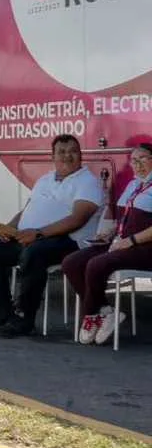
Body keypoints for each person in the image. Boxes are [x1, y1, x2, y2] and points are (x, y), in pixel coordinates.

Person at [0, 134, 103, 338]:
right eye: (61, 152)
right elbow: (27, 210)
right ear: (52, 156)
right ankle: (2, 312)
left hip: (69, 241)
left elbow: (78, 219)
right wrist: (9, 228)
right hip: (31, 237)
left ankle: (24, 318)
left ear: (80, 155)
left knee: (34, 253)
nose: (67, 156)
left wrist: (38, 233)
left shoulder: (87, 182)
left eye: (73, 151)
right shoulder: (45, 180)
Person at [63, 142, 152, 345]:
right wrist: (110, 232)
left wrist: (131, 240)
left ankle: (90, 316)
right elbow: (124, 217)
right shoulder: (133, 184)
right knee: (72, 262)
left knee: (97, 264)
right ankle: (105, 311)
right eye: (134, 160)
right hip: (121, 242)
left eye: (143, 159)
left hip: (144, 247)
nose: (138, 165)